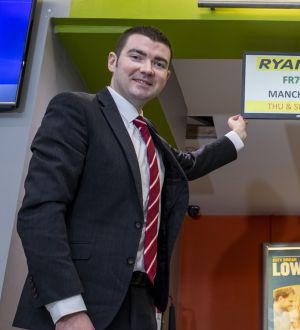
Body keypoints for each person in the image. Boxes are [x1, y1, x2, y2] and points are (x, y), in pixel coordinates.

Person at [13, 26, 247, 330]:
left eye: (159, 64)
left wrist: (235, 138)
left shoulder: (151, 136)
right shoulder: (76, 110)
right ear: (113, 61)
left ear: (167, 77)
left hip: (140, 302)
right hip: (80, 303)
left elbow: (186, 165)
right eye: (137, 57)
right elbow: (40, 211)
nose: (147, 69)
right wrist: (67, 309)